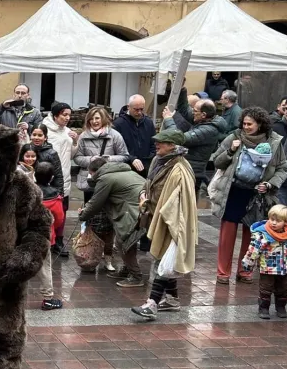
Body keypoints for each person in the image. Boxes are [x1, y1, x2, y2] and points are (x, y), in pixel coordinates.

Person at [210, 107, 287, 284]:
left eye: (250, 124)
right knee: (227, 236)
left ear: (260, 124)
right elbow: (216, 161)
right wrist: (230, 151)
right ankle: (223, 273)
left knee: (252, 236)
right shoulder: (234, 137)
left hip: (257, 196)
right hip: (233, 191)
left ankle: (245, 271)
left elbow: (283, 168)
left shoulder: (274, 142)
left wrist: (269, 184)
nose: (245, 127)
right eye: (244, 123)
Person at [131, 130, 198, 321]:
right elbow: (149, 183)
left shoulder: (180, 169)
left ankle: (152, 304)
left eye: (162, 142)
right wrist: (143, 194)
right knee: (163, 258)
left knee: (163, 263)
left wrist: (172, 222)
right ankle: (172, 300)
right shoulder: (158, 161)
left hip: (172, 222)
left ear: (173, 146)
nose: (157, 144)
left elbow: (180, 202)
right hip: (156, 217)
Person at [78, 157, 145, 286]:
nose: (90, 177)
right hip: (142, 208)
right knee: (128, 242)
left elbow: (96, 203)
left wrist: (83, 215)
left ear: (95, 171)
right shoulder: (126, 172)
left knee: (122, 242)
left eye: (91, 174)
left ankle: (136, 276)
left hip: (132, 211)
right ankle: (128, 269)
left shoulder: (106, 178)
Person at [241, 204, 287, 320]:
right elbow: (253, 250)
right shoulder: (263, 234)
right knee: (266, 288)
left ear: (286, 222)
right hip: (268, 268)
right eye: (272, 219)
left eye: (278, 221)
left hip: (284, 268)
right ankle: (264, 307)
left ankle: (281, 306)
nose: (273, 223)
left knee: (284, 288)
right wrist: (248, 264)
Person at [161, 97, 223, 193]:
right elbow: (184, 109)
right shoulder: (204, 121)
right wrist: (181, 89)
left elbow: (179, 138)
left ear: (203, 114)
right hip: (187, 170)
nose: (192, 112)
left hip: (192, 174)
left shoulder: (208, 130)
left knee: (185, 206)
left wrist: (168, 119)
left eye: (195, 110)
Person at [73, 104, 128, 209]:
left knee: (108, 210)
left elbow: (124, 156)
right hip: (90, 181)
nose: (94, 121)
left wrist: (107, 159)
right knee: (90, 210)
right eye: (91, 119)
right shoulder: (83, 136)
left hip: (109, 180)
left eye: (97, 118)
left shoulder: (115, 135)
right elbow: (77, 158)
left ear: (103, 119)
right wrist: (91, 160)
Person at [42, 103, 77, 254]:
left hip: (65, 176)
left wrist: (75, 142)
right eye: (64, 114)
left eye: (69, 115)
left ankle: (59, 241)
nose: (67, 118)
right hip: (47, 177)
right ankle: (46, 240)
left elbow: (72, 155)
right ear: (55, 115)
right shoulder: (44, 130)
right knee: (46, 210)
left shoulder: (68, 132)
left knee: (62, 210)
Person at [32, 162, 64, 310]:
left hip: (26, 234)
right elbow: (59, 219)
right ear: (51, 178)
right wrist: (53, 229)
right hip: (45, 235)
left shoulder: (29, 192)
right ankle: (48, 298)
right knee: (45, 267)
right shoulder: (55, 197)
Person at [113, 95, 155, 175]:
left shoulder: (148, 123)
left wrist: (149, 160)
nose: (139, 112)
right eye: (136, 109)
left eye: (141, 109)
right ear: (128, 107)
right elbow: (115, 149)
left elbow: (154, 144)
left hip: (146, 168)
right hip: (126, 169)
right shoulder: (118, 124)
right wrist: (131, 159)